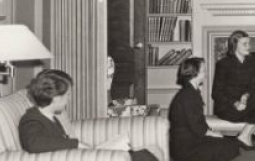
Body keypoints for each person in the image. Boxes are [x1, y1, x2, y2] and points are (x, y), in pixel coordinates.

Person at [18, 69, 157, 161]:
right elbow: (34, 144)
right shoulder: (31, 120)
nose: (69, 99)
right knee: (143, 157)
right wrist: (76, 144)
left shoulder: (51, 116)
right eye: (67, 95)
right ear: (56, 98)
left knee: (148, 152)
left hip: (80, 156)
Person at [168, 57, 240, 161]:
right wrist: (212, 134)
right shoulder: (188, 96)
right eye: (203, 71)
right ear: (194, 73)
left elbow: (199, 121)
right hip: (185, 147)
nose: (205, 75)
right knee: (229, 148)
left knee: (229, 144)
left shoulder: (191, 92)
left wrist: (211, 131)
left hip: (190, 139)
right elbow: (196, 126)